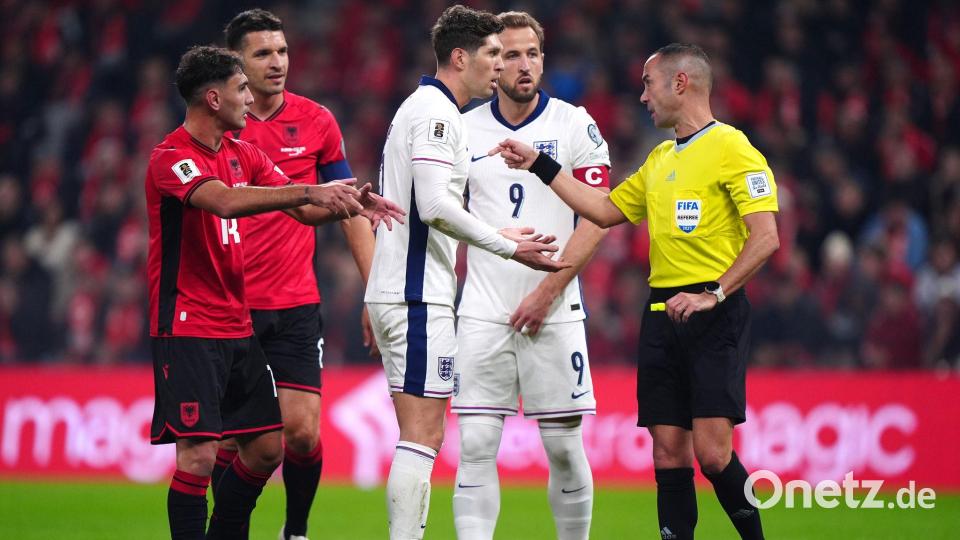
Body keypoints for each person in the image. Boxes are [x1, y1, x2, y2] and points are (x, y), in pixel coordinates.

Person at [491, 43, 779, 540]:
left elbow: (766, 237)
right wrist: (540, 163)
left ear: (680, 83)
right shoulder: (660, 157)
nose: (642, 96)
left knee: (713, 455)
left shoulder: (733, 148)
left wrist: (714, 293)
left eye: (648, 84)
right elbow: (603, 211)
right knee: (667, 453)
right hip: (661, 313)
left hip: (714, 314)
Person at [147, 45, 401, 540]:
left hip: (236, 324)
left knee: (266, 447)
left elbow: (305, 210)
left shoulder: (243, 154)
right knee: (198, 456)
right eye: (241, 89)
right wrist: (310, 189)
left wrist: (351, 203)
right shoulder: (171, 158)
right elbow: (222, 201)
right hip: (187, 326)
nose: (250, 98)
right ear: (214, 98)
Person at [363, 5, 570, 539]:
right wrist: (506, 245)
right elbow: (434, 206)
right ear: (460, 57)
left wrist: (499, 232)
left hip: (403, 291)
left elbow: (431, 206)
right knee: (423, 436)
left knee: (420, 434)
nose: (500, 65)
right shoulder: (437, 115)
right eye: (493, 54)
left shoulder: (423, 108)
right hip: (416, 296)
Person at [212, 10, 379, 540]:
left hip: (295, 304)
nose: (277, 62)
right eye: (263, 53)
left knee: (302, 434)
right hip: (231, 305)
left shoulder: (317, 121)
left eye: (282, 51)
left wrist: (375, 293)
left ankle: (296, 530)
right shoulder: (217, 127)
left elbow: (351, 208)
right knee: (231, 441)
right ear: (236, 61)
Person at [451, 11, 609, 540]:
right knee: (475, 445)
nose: (524, 64)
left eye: (533, 53)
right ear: (493, 64)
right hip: (482, 309)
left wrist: (548, 290)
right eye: (511, 54)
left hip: (556, 308)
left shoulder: (574, 124)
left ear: (544, 59)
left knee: (563, 447)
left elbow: (599, 215)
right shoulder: (463, 129)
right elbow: (441, 213)